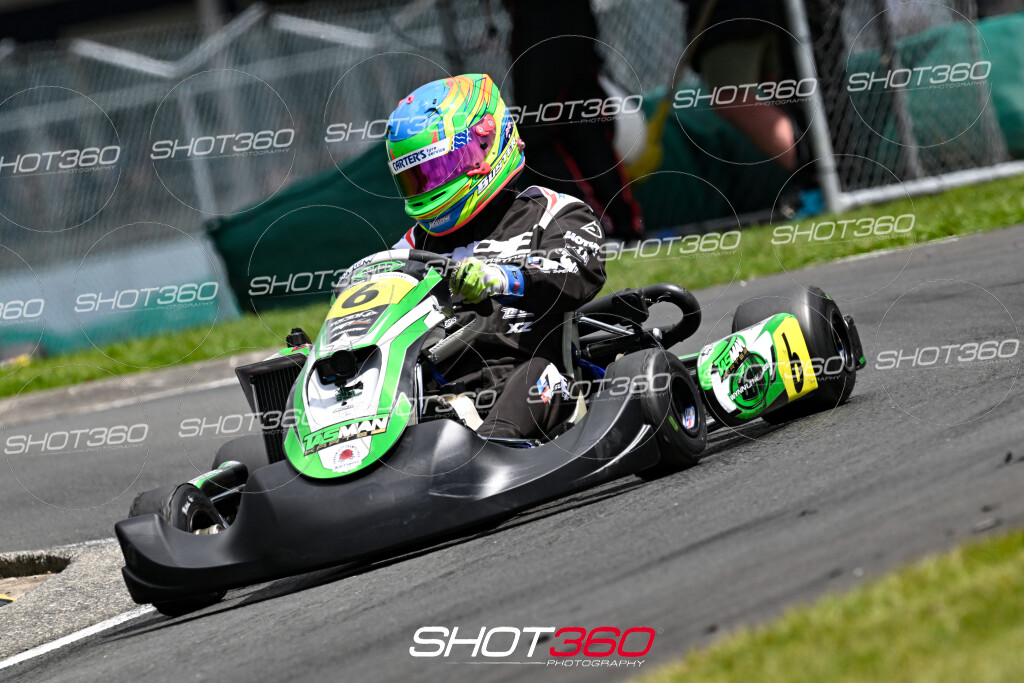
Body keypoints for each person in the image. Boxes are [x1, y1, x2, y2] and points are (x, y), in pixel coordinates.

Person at [386, 73, 606, 440]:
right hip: (439, 393)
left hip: (532, 380)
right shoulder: (408, 249)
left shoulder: (554, 213)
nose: (431, 185)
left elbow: (576, 272)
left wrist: (501, 278)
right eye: (418, 178)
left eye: (440, 169)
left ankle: (489, 449)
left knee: (534, 373)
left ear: (488, 144)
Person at [504, 0, 644, 239]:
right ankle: (621, 225)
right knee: (584, 128)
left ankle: (594, 226)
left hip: (543, 27)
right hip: (569, 25)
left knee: (537, 136)